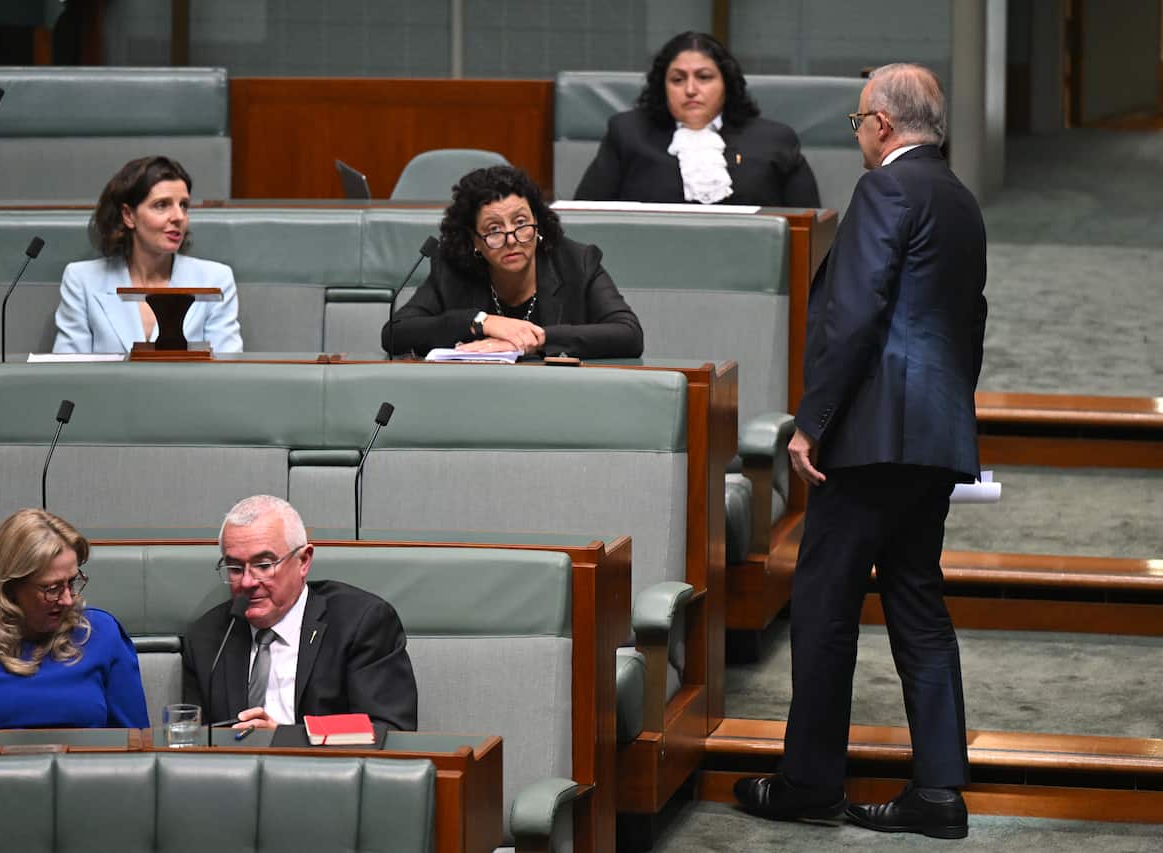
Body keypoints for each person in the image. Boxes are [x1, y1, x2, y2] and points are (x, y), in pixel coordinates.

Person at [733, 64, 987, 840]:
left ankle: (810, 780)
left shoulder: (885, 191)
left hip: (873, 436)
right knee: (918, 605)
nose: (859, 138)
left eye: (856, 124)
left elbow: (855, 312)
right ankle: (939, 791)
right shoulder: (960, 199)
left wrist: (814, 420)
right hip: (935, 436)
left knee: (823, 603)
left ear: (880, 122)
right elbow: (969, 322)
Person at [181, 495, 417, 732]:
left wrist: (286, 738)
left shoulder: (360, 623)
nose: (247, 581)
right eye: (234, 568)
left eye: (264, 565)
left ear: (303, 561)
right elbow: (192, 739)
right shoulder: (207, 637)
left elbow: (388, 729)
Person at [0, 509, 150, 731]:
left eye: (72, 582)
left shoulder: (102, 633)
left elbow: (138, 747)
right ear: (9, 587)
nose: (67, 600)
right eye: (52, 588)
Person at [382, 165, 643, 359]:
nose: (511, 239)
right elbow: (395, 333)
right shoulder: (452, 270)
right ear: (474, 240)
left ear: (537, 223)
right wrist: (481, 321)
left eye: (520, 223)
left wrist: (534, 339)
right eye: (494, 229)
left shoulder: (577, 262)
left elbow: (628, 334)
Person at [574, 31, 819, 208]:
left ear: (726, 84)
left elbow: (810, 226)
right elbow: (583, 214)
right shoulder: (627, 133)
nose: (691, 89)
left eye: (704, 77)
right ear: (663, 86)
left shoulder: (774, 140)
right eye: (678, 79)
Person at [52, 155, 243, 353]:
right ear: (128, 215)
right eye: (162, 205)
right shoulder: (82, 280)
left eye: (184, 205)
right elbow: (67, 370)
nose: (179, 217)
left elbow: (227, 369)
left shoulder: (215, 279)